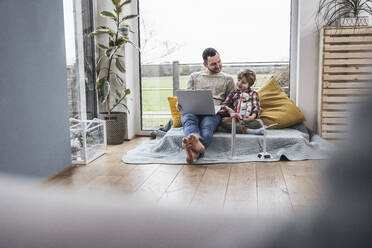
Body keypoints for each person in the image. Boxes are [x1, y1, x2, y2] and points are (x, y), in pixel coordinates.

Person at [178, 48, 235, 164]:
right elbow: (188, 96)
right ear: (205, 64)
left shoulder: (228, 79)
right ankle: (195, 144)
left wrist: (223, 108)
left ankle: (192, 151)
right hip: (194, 110)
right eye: (213, 64)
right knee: (188, 119)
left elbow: (231, 101)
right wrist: (181, 104)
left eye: (219, 61)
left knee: (207, 126)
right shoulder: (194, 77)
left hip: (214, 112)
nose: (218, 66)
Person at [219, 69, 264, 135]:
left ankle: (234, 128)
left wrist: (252, 117)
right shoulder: (233, 93)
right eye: (239, 80)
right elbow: (225, 103)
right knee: (223, 121)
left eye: (243, 83)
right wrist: (225, 109)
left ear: (250, 84)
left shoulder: (253, 94)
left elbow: (256, 108)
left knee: (258, 124)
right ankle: (249, 131)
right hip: (236, 119)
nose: (239, 83)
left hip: (248, 120)